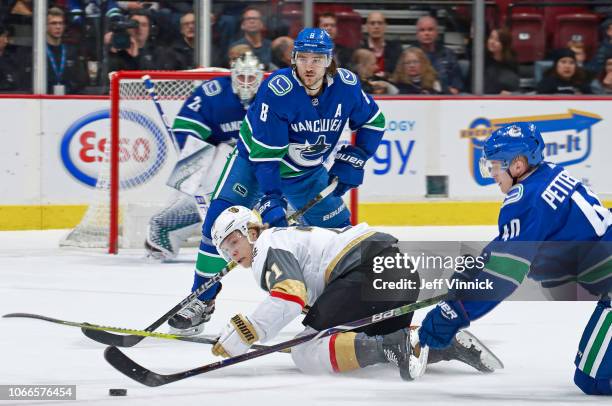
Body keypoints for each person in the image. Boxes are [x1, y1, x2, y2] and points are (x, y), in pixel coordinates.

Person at [167, 28, 386, 336]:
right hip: (253, 164)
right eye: (304, 58)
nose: (309, 67)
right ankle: (201, 301)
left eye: (318, 59)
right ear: (294, 58)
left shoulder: (347, 86)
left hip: (306, 173)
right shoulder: (278, 90)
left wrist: (358, 155)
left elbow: (374, 121)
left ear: (329, 62)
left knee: (341, 238)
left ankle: (345, 305)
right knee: (216, 223)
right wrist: (271, 198)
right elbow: (266, 158)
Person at [418, 122, 612, 395]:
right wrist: (475, 270)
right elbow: (511, 246)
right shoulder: (548, 173)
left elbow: (505, 275)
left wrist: (454, 313)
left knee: (594, 381)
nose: (493, 173)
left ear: (518, 165)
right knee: (590, 368)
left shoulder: (525, 199)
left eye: (496, 165)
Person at [208, 206, 504, 379]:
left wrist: (249, 330)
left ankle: (395, 344)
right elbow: (306, 297)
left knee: (305, 350)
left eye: (234, 241)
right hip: (399, 274)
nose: (232, 253)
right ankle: (440, 344)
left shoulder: (266, 245)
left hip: (367, 275)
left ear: (251, 231)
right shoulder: (283, 238)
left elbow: (290, 294)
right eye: (225, 250)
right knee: (359, 340)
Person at [145, 52, 264, 261]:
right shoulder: (214, 91)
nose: (246, 83)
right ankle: (162, 232)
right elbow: (186, 126)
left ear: (260, 76)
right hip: (218, 156)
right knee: (196, 193)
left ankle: (257, 240)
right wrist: (198, 160)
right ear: (233, 75)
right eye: (241, 77)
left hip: (256, 161)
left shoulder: (272, 94)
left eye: (251, 78)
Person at [415, 15, 464, 95]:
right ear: (417, 34)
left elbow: (456, 86)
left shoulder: (449, 54)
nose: (426, 33)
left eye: (430, 30)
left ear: (436, 32)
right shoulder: (410, 55)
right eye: (422, 30)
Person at [46, 7, 87, 94]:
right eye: (53, 23)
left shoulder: (71, 51)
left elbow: (81, 81)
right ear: (46, 26)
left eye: (61, 23)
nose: (58, 27)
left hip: (69, 100)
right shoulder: (40, 52)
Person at [360, 12, 402, 78]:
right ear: (366, 27)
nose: (376, 27)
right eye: (372, 23)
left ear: (385, 26)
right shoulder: (359, 49)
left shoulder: (395, 49)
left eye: (380, 23)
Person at [482, 28, 519, 95]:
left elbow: (515, 87)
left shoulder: (511, 63)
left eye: (497, 40)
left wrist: (510, 94)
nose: (492, 42)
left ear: (504, 44)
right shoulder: (481, 61)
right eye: (491, 38)